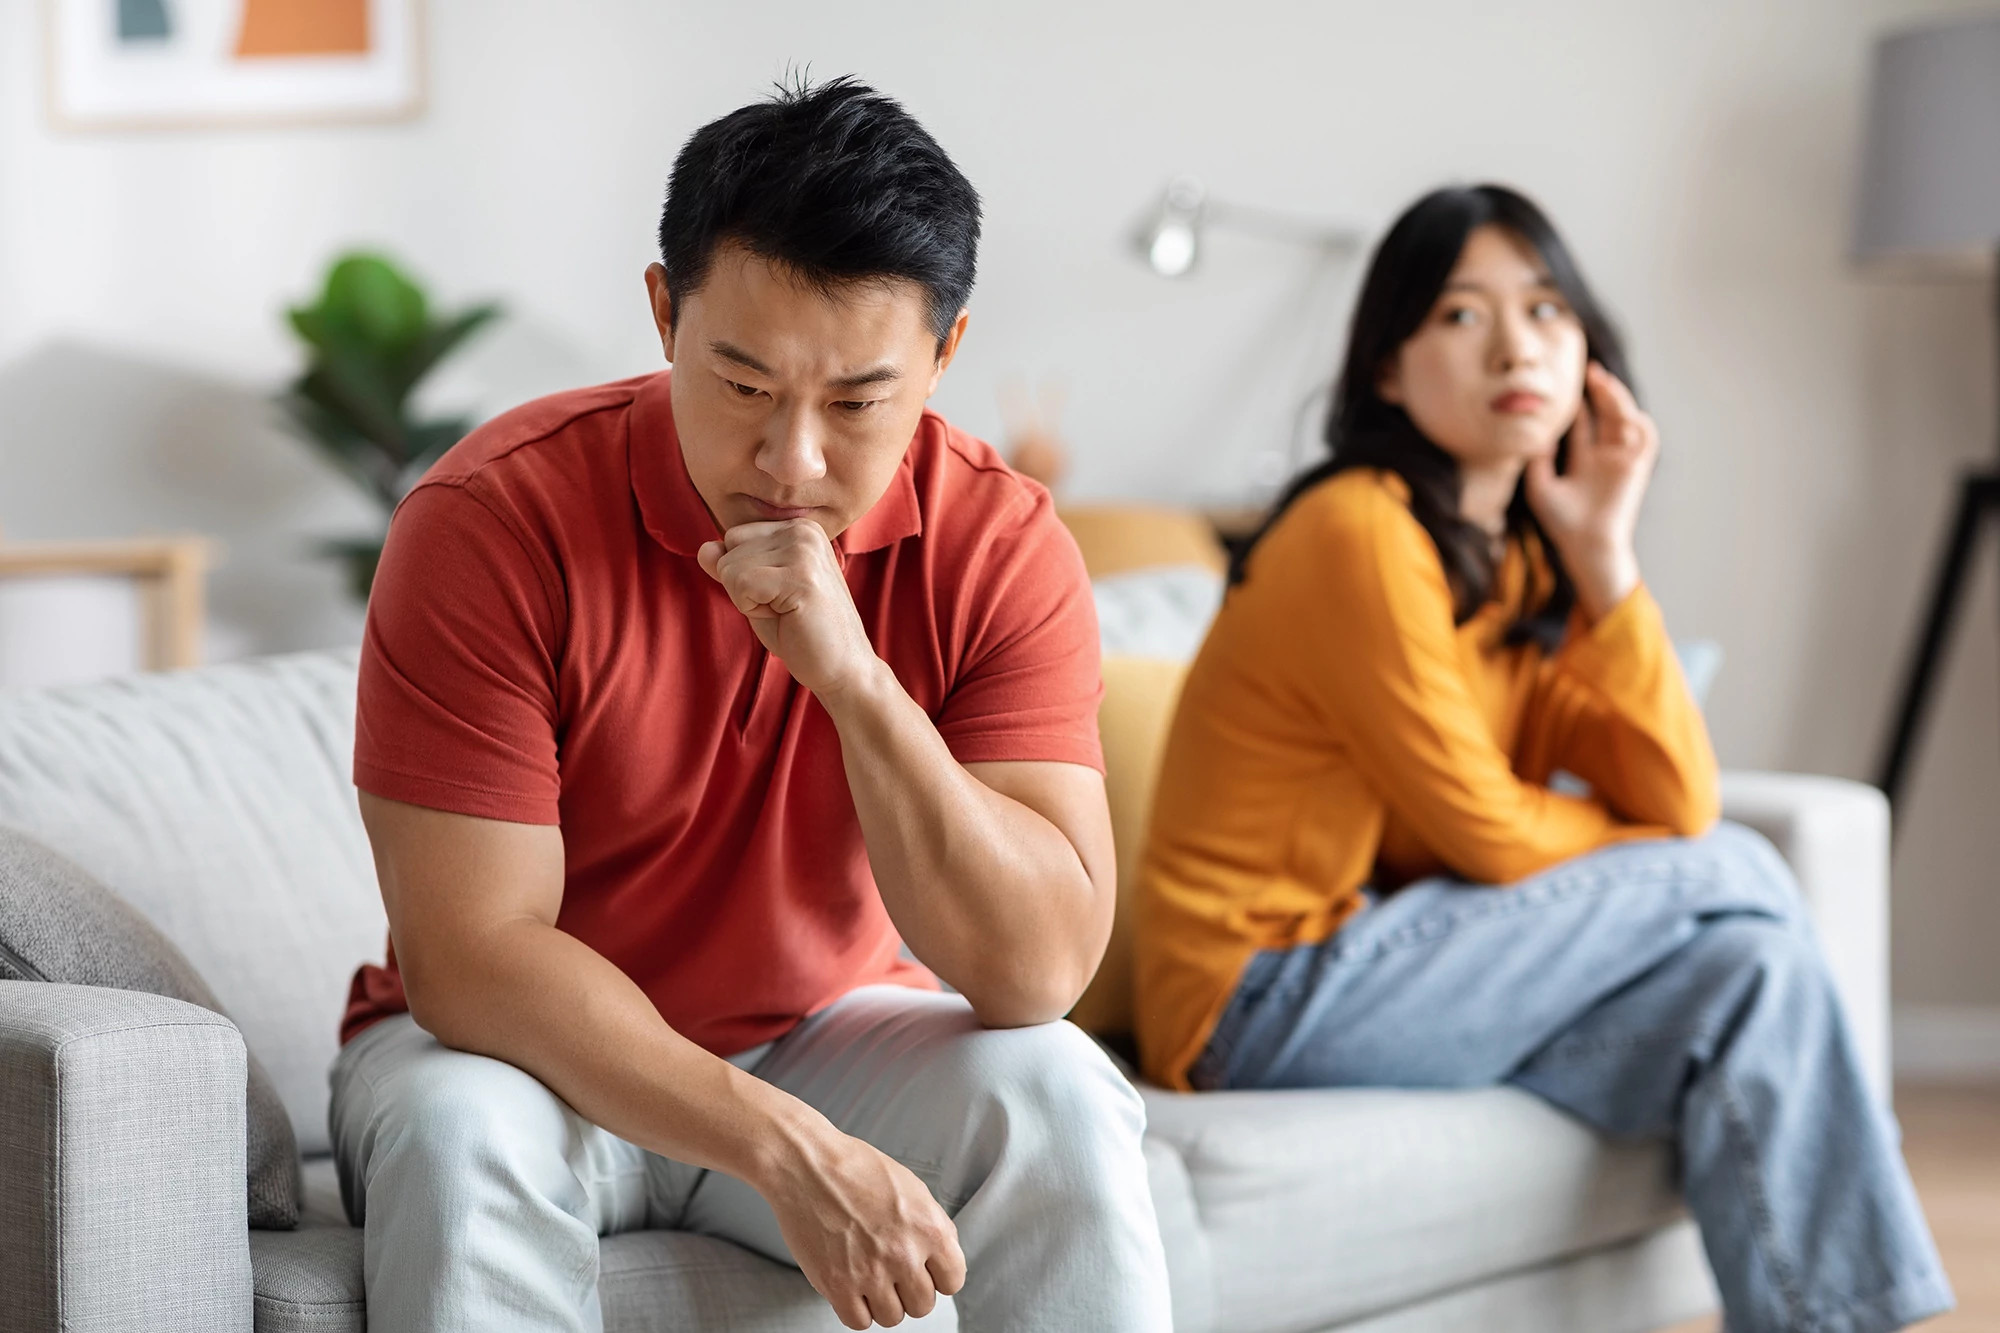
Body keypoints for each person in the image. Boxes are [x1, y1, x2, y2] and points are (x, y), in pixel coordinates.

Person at [331, 78, 1170, 1333]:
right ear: (665, 313)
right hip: (519, 1062)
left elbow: (1034, 969)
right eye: (741, 387)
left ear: (943, 355)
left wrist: (854, 680)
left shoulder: (1000, 542)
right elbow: (472, 960)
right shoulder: (489, 521)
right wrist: (785, 1148)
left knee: (1056, 1087)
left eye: (854, 403)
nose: (791, 463)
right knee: (459, 1134)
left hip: (824, 1032)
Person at [1134, 184, 1953, 1333]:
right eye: (1461, 316)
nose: (1515, 343)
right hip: (1253, 1000)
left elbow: (1674, 791)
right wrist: (1663, 859)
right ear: (1385, 368)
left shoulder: (1519, 564)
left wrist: (1606, 557)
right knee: (1730, 873)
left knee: (1752, 967)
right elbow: (1490, 830)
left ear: (1585, 351)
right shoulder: (1357, 530)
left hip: (1386, 966)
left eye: (1545, 309)